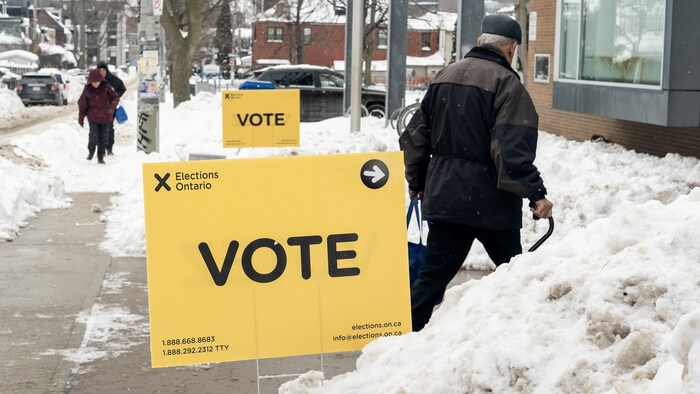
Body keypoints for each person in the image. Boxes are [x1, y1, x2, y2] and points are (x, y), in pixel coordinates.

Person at [399, 14, 554, 332]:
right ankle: (518, 334)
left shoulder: (445, 76)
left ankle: (400, 338)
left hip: (447, 199)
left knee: (433, 277)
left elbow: (415, 137)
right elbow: (511, 153)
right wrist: (535, 194)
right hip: (492, 204)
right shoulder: (508, 85)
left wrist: (417, 181)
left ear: (481, 41)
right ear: (511, 48)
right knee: (512, 274)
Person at [78, 68, 120, 164]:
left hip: (106, 117)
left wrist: (112, 107)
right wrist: (81, 118)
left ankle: (100, 157)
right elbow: (82, 104)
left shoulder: (107, 87)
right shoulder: (87, 90)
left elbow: (115, 97)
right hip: (93, 118)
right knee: (93, 136)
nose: (96, 84)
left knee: (103, 138)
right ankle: (91, 151)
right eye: (94, 82)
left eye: (97, 81)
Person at [96, 61, 126, 155]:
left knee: (109, 128)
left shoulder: (113, 79)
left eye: (104, 70)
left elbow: (122, 88)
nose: (102, 72)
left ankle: (109, 149)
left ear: (107, 70)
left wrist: (115, 97)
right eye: (100, 70)